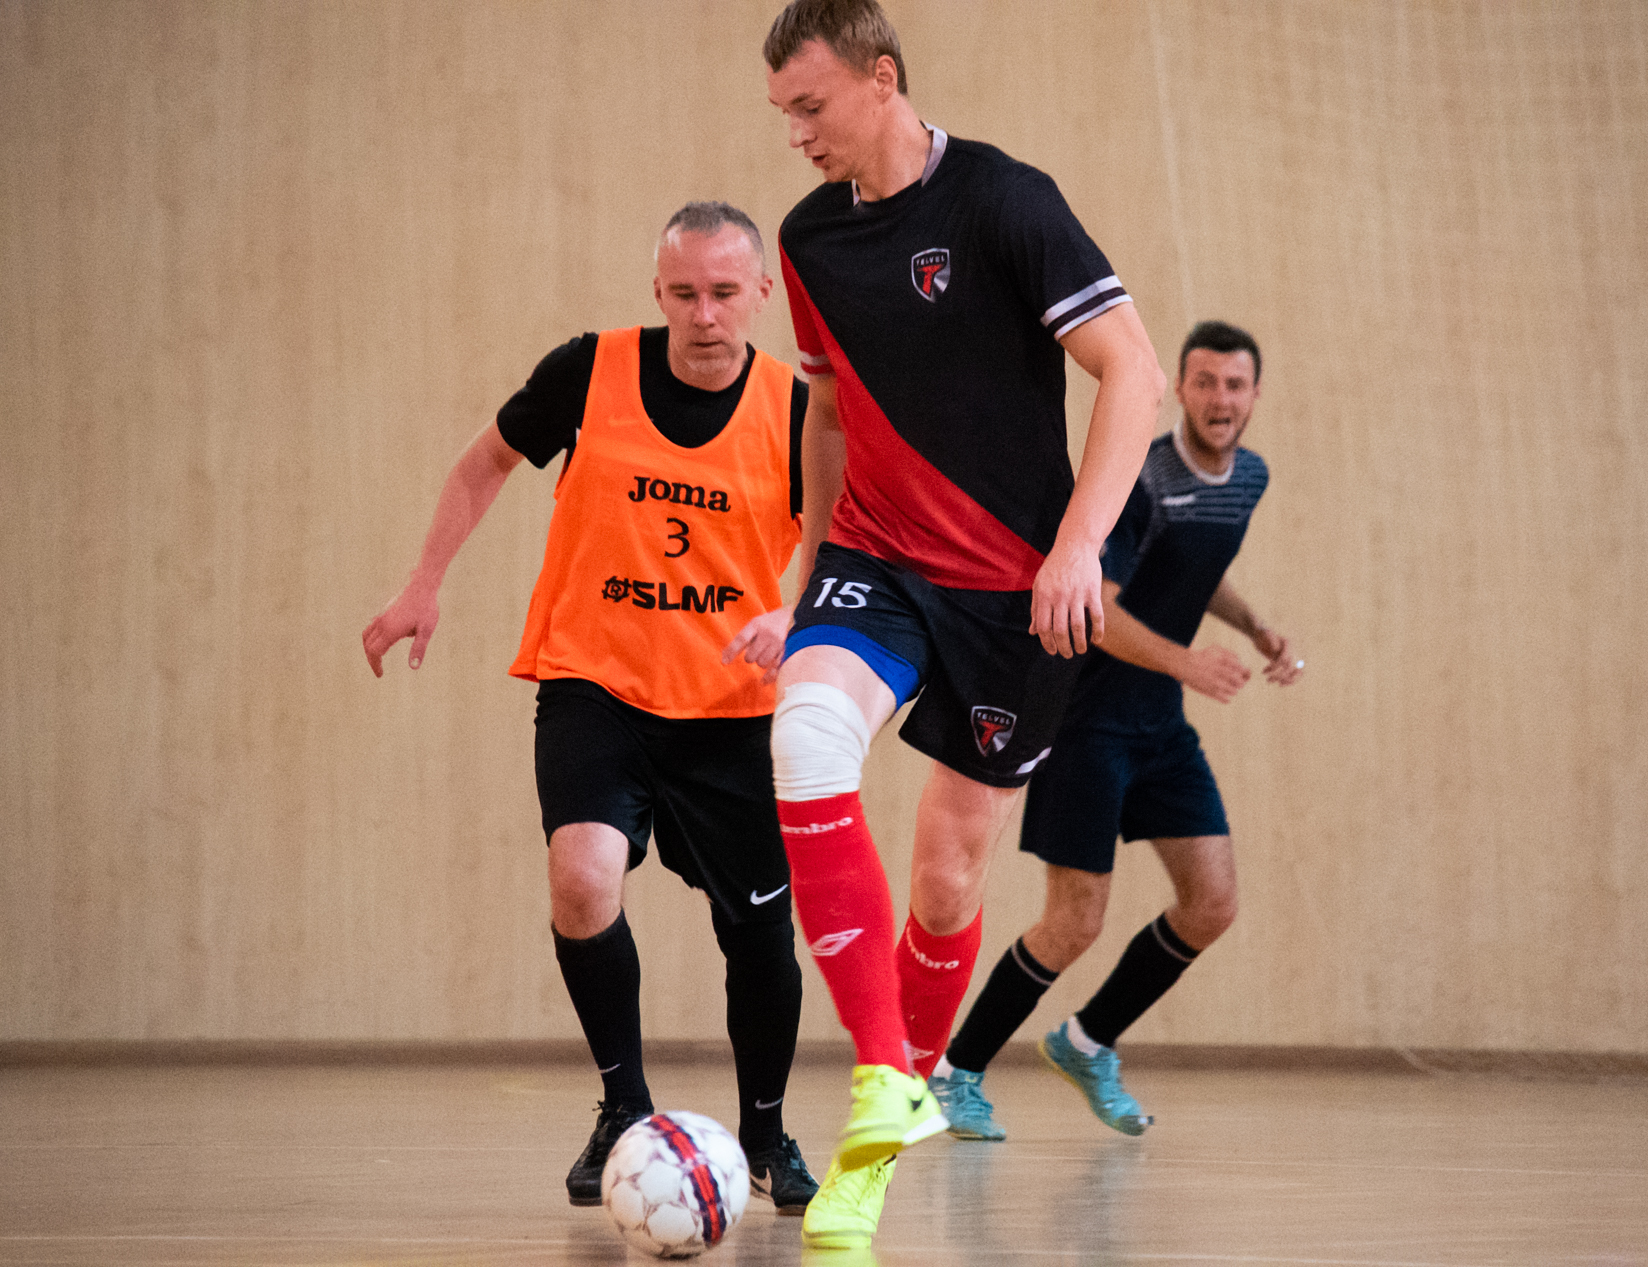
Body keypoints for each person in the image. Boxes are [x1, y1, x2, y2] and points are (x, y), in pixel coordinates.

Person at [744, 0, 1167, 1249]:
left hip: (1012, 592)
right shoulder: (809, 238)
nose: (795, 134)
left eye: (810, 106)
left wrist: (1078, 547)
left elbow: (1135, 370)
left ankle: (876, 1148)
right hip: (873, 557)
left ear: (882, 79)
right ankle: (883, 1074)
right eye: (782, 114)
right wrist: (804, 584)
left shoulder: (1004, 203)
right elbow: (828, 414)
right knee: (805, 739)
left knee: (944, 878)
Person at [360, 202, 820, 1215]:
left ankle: (764, 1132)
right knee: (581, 878)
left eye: (724, 292)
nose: (704, 314)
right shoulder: (590, 369)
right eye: (683, 293)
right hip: (595, 681)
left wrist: (797, 610)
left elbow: (846, 533)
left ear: (762, 294)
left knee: (759, 934)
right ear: (658, 292)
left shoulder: (796, 410)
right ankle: (624, 1106)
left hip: (731, 704)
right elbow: (483, 462)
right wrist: (423, 581)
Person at [928, 319, 1302, 1142]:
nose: (1220, 399)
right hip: (1087, 722)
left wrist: (1255, 627)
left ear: (1254, 395)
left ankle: (1087, 1041)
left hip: (1160, 727)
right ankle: (955, 1072)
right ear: (1181, 388)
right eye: (1205, 382)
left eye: (1235, 385)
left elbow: (1194, 565)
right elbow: (1097, 605)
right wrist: (1185, 662)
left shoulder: (1249, 477)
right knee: (1075, 919)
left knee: (1212, 903)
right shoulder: (1144, 481)